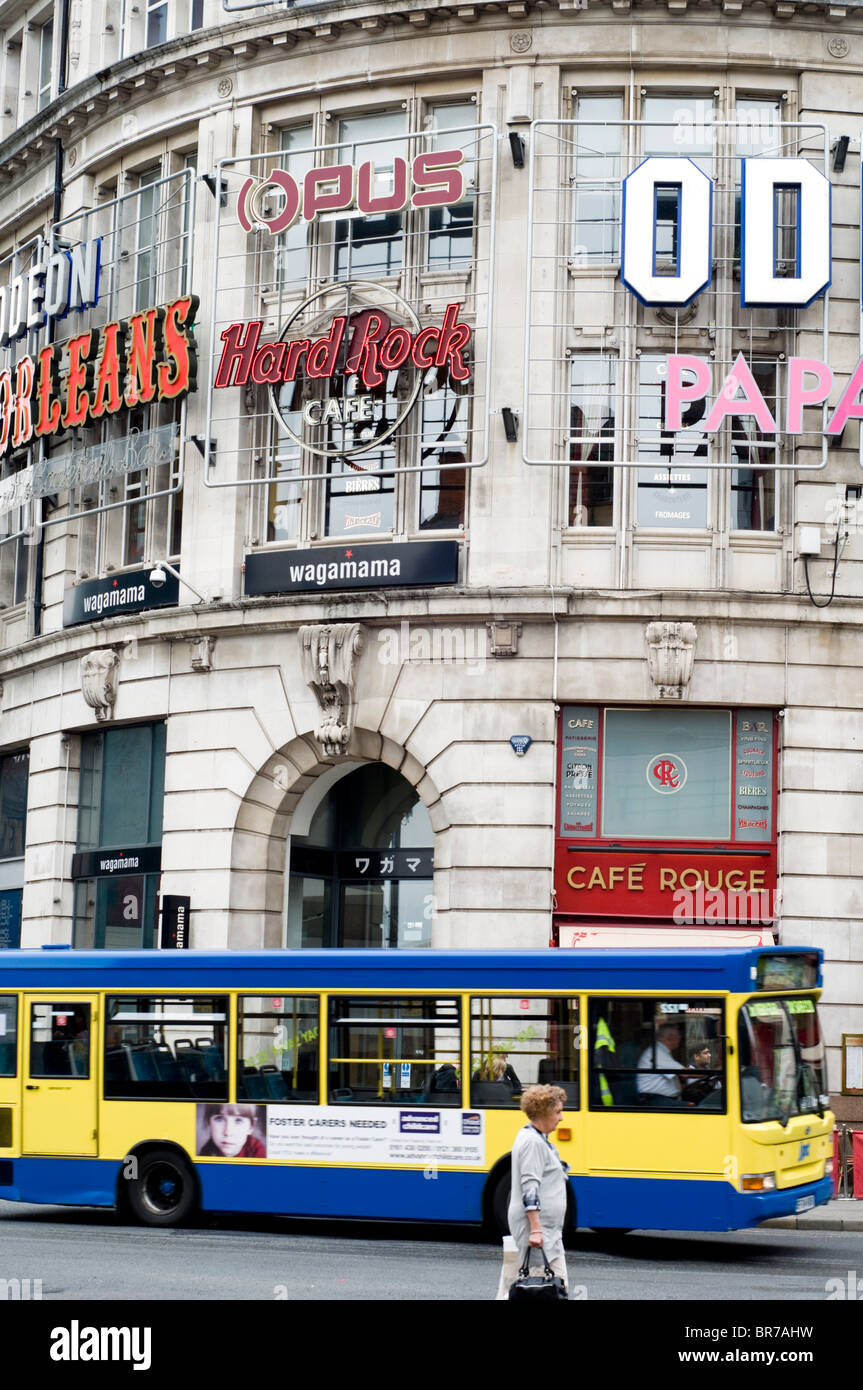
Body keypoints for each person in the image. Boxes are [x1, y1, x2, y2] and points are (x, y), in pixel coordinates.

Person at [504, 1084, 569, 1297]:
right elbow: (530, 1188)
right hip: (540, 1231)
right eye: (558, 1112)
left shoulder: (537, 1138)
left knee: (523, 1287)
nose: (561, 1118)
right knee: (547, 1289)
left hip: (546, 1231)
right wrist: (536, 1229)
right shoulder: (533, 1142)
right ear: (543, 1112)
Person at [636, 1022, 685, 1104]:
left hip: (662, 1098)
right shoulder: (657, 1052)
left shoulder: (662, 1051)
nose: (680, 1038)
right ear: (670, 1037)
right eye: (679, 1035)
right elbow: (685, 1073)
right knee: (693, 1109)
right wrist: (708, 1072)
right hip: (654, 1100)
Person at [198, 1103, 266, 1158]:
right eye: (219, 1119)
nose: (228, 1132)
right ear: (208, 1123)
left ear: (251, 1127)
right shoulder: (206, 1152)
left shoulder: (257, 1151)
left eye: (238, 1121)